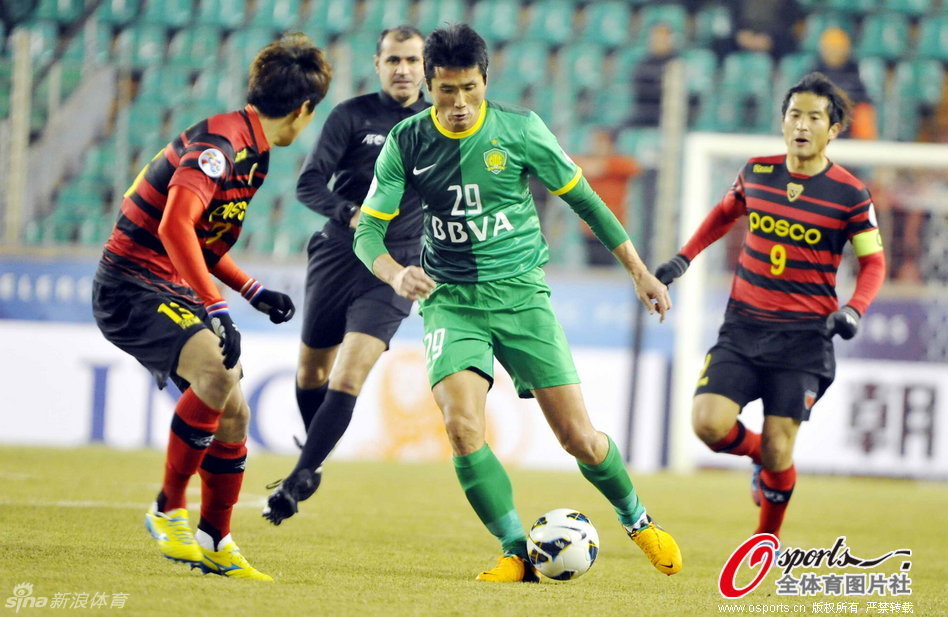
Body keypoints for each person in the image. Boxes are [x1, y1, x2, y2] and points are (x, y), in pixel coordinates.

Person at [352, 23, 682, 582]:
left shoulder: (521, 131)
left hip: (522, 294)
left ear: (486, 81)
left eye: (470, 89)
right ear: (430, 85)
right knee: (461, 427)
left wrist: (640, 272)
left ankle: (637, 518)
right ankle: (515, 550)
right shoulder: (407, 142)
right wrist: (393, 272)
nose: (459, 104)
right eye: (447, 91)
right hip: (450, 300)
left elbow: (587, 202)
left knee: (578, 437)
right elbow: (367, 232)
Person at [91, 33, 332, 581]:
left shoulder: (250, 149)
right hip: (130, 285)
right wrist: (218, 306)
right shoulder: (222, 145)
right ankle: (168, 507)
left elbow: (198, 241)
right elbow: (175, 223)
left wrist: (250, 290)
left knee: (236, 413)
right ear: (303, 110)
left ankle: (216, 539)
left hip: (166, 284)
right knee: (217, 373)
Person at [654, 72, 886, 540]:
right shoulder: (757, 172)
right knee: (708, 424)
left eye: (814, 117)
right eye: (794, 114)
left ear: (833, 129)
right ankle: (761, 459)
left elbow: (874, 263)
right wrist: (684, 258)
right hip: (743, 327)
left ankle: (765, 543)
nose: (801, 124)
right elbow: (724, 214)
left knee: (783, 448)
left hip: (804, 338)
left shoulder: (849, 194)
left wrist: (855, 309)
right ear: (783, 121)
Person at [262, 25, 428, 524]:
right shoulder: (351, 115)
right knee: (312, 372)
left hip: (395, 267)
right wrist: (349, 212)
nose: (403, 69)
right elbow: (308, 184)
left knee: (351, 372)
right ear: (377, 65)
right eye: (393, 60)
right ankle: (317, 454)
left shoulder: (440, 124)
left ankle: (300, 476)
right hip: (338, 255)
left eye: (412, 61)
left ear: (427, 68)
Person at [571, 128, 639, 266]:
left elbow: (634, 167)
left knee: (607, 264)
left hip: (612, 222)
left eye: (601, 142)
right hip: (590, 224)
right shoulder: (584, 160)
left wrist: (602, 166)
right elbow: (568, 165)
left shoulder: (619, 163)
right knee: (593, 264)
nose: (597, 146)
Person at [812, 28, 877, 139]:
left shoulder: (855, 71)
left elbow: (863, 99)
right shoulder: (813, 72)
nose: (834, 52)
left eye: (838, 48)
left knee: (863, 112)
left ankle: (865, 149)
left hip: (849, 116)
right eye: (830, 48)